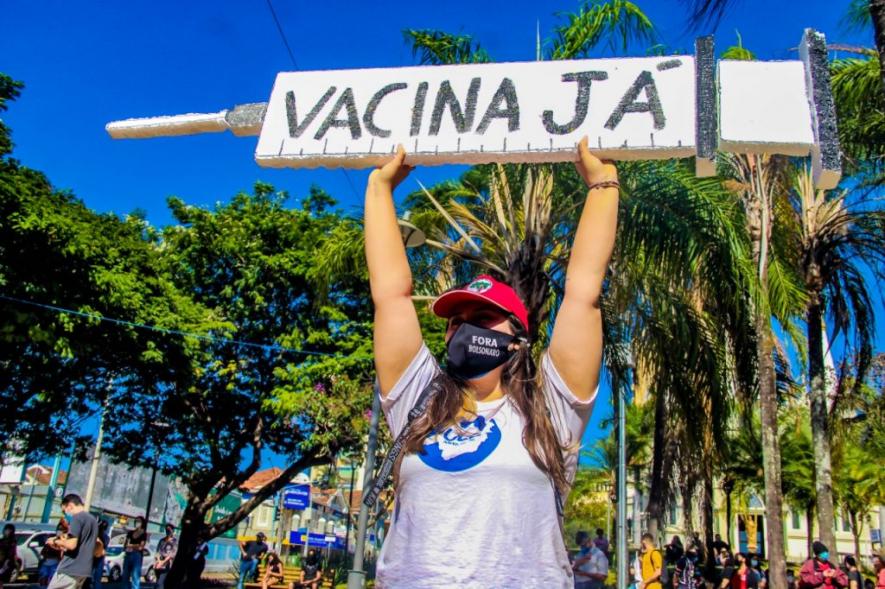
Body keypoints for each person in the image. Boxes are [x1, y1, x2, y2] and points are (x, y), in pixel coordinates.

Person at [366, 137, 617, 588]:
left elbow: (583, 293)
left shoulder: (550, 413)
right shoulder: (417, 402)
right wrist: (379, 189)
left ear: (518, 340)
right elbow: (390, 295)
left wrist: (603, 186)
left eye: (483, 319)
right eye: (455, 321)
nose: (465, 329)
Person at [45, 494, 98, 589]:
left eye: (64, 510)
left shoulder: (77, 518)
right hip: (84, 570)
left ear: (70, 506)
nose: (65, 513)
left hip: (70, 568)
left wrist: (55, 541)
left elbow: (72, 544)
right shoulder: (93, 520)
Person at [39, 520, 69, 586]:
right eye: (58, 529)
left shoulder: (67, 541)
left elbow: (63, 553)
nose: (59, 531)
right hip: (47, 562)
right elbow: (43, 551)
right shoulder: (52, 539)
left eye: (61, 529)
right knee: (44, 578)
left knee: (52, 580)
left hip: (56, 563)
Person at [122, 516, 148, 589]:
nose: (137, 522)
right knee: (125, 576)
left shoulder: (144, 533)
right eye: (136, 521)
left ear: (142, 523)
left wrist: (130, 545)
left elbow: (141, 547)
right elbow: (125, 545)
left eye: (139, 521)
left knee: (135, 577)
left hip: (137, 556)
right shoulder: (130, 533)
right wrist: (135, 545)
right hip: (128, 555)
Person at [154, 524, 177, 589]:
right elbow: (157, 551)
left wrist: (162, 562)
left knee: (160, 583)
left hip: (167, 564)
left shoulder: (175, 541)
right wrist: (158, 561)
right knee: (158, 582)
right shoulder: (162, 540)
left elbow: (172, 554)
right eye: (167, 530)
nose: (168, 531)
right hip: (158, 563)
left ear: (173, 530)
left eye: (169, 530)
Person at [90, 520, 109, 589]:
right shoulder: (106, 537)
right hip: (100, 558)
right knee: (97, 579)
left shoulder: (95, 535)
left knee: (90, 578)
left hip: (93, 557)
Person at [0, 523, 17, 588]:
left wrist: (6, 563)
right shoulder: (1, 540)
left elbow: (12, 553)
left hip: (7, 563)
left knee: (1, 579)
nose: (6, 531)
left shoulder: (12, 541)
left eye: (8, 530)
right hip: (2, 561)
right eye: (6, 529)